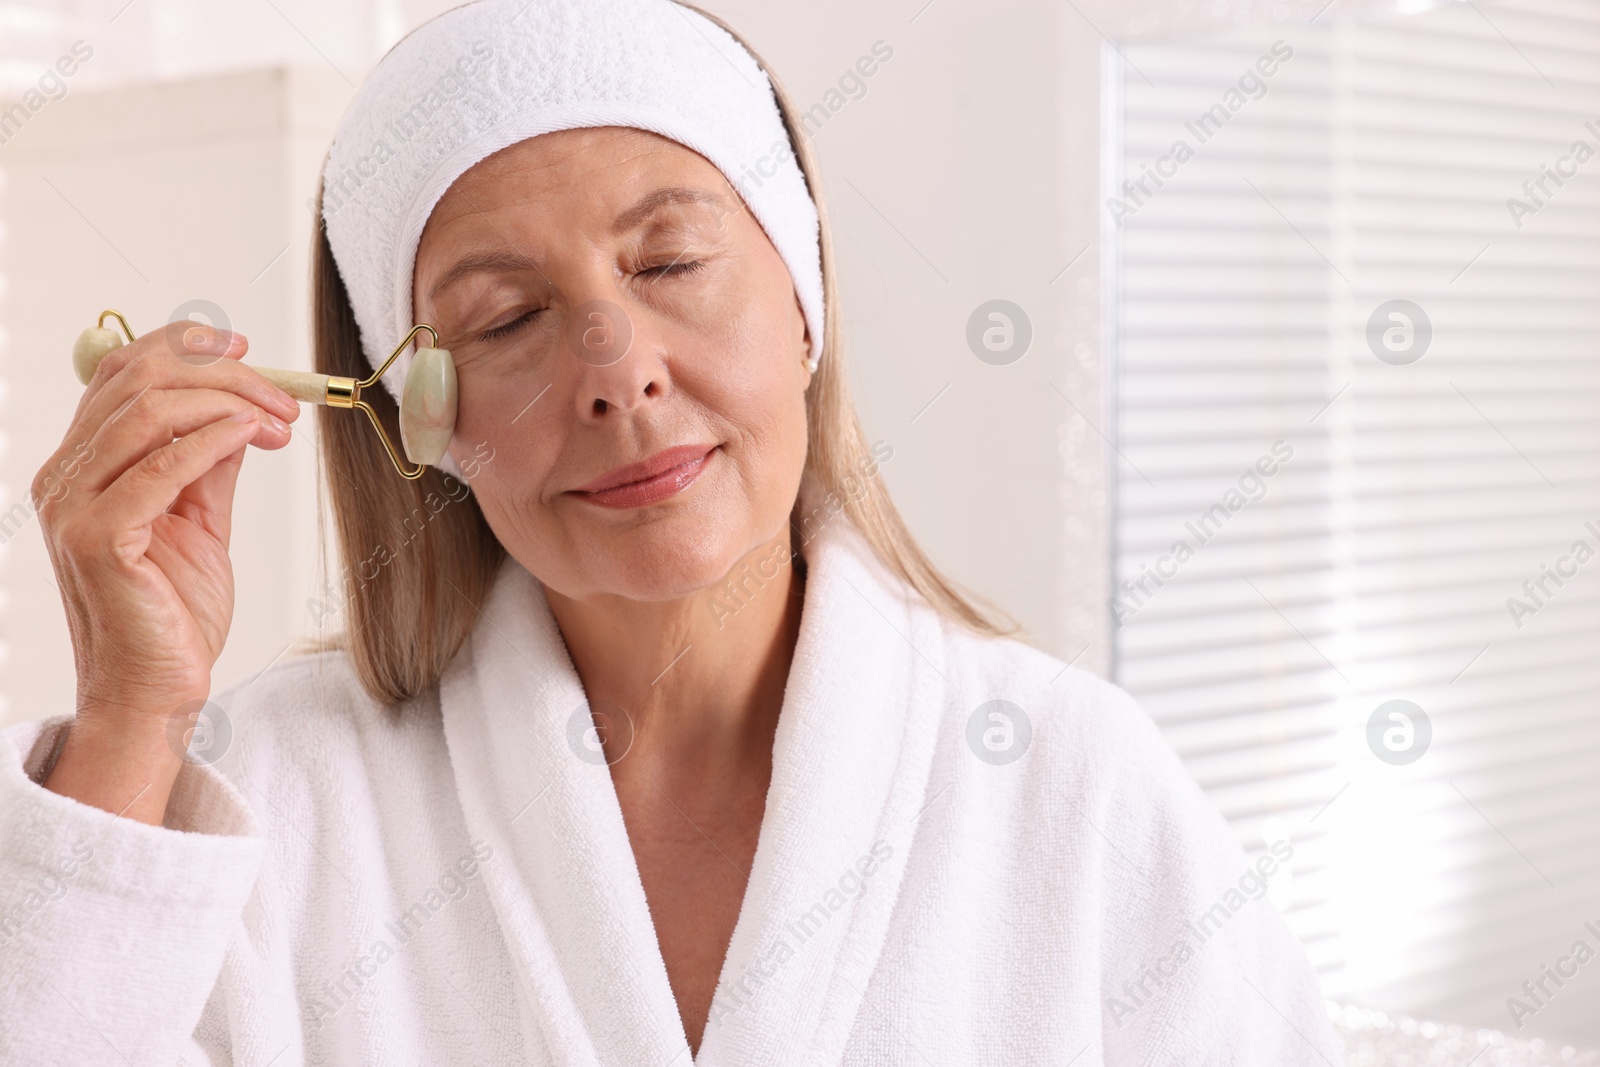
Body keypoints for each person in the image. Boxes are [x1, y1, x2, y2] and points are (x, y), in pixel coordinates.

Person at [0, 0, 1344, 1063]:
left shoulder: (1070, 783)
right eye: (506, 318)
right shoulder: (269, 795)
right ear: (415, 414)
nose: (616, 368)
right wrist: (130, 717)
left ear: (805, 301)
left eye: (672, 263)